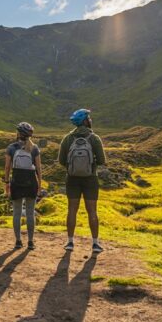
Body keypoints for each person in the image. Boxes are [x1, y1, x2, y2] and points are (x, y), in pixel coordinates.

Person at [58, 108, 106, 253]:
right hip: (90, 179)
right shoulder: (94, 138)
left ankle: (70, 242)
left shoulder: (67, 139)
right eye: (89, 118)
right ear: (85, 121)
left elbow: (61, 161)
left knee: (72, 209)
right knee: (92, 211)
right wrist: (89, 165)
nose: (90, 120)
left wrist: (72, 167)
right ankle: (95, 243)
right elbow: (102, 161)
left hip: (72, 179)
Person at [3, 122, 42, 250]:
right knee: (30, 213)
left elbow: (7, 168)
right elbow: (39, 170)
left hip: (16, 183)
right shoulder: (34, 148)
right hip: (31, 183)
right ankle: (31, 242)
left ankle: (18, 241)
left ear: (18, 134)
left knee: (17, 213)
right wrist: (39, 186)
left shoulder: (11, 148)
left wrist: (7, 183)